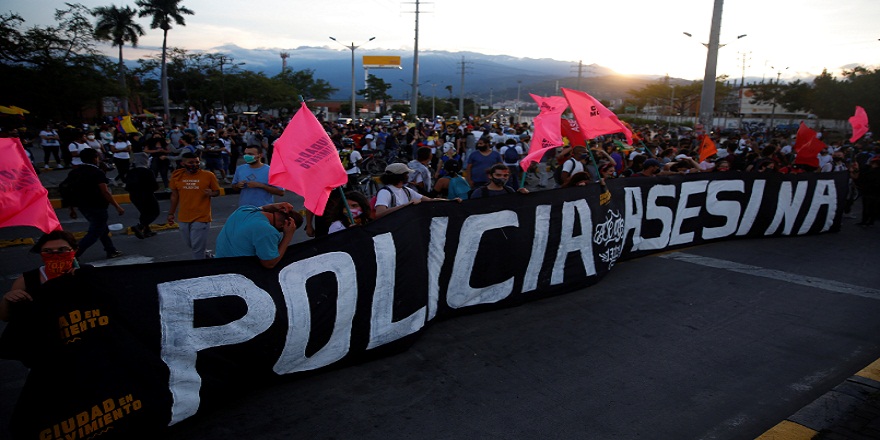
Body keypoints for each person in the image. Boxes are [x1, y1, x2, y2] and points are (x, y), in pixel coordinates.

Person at [0, 231, 82, 322]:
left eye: (62, 250)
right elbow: (6, 317)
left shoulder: (86, 274)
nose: (55, 255)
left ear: (75, 251)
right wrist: (7, 300)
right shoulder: (26, 281)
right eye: (47, 251)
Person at [66, 148, 125, 259]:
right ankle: (74, 254)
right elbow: (105, 192)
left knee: (102, 229)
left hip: (83, 206)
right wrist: (117, 206)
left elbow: (69, 191)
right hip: (97, 206)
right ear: (95, 159)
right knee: (95, 232)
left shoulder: (75, 172)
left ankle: (110, 250)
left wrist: (71, 209)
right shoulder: (97, 172)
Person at [215, 202, 302, 268]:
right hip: (236, 273)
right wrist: (288, 236)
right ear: (282, 225)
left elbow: (263, 208)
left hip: (218, 263)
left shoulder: (244, 210)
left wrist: (275, 205)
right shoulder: (267, 231)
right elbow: (269, 263)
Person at [167, 152, 220, 259]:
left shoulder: (208, 175)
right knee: (192, 244)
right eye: (191, 162)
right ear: (183, 163)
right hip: (184, 217)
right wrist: (171, 213)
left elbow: (217, 192)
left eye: (197, 162)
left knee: (197, 248)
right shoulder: (177, 175)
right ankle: (207, 256)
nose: (195, 164)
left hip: (202, 217)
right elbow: (174, 196)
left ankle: (200, 271)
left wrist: (212, 193)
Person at [374, 163, 447, 218]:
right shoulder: (385, 192)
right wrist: (405, 206)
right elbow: (379, 213)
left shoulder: (406, 190)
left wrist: (451, 201)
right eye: (406, 174)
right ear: (400, 176)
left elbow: (430, 200)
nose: (408, 176)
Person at [125, 153, 160, 239]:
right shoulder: (148, 171)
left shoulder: (130, 172)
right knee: (155, 212)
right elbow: (155, 186)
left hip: (134, 196)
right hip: (147, 196)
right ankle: (140, 226)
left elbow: (127, 187)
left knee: (144, 213)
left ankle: (147, 231)